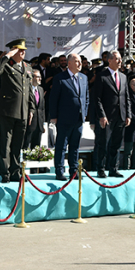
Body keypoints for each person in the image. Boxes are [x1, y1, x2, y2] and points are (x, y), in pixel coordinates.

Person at [0, 39, 34, 183]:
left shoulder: (27, 67)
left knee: (18, 144)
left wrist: (31, 109)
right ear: (13, 50)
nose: (23, 52)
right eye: (19, 49)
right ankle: (5, 173)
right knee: (6, 144)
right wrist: (6, 56)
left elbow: (29, 91)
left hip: (23, 111)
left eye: (24, 50)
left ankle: (15, 172)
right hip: (8, 111)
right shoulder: (6, 65)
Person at [48, 53, 89, 181]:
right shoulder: (60, 78)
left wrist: (85, 112)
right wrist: (53, 116)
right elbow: (54, 98)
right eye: (76, 61)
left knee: (75, 146)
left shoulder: (84, 78)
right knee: (61, 146)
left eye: (80, 61)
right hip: (64, 118)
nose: (79, 64)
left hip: (79, 118)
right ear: (69, 63)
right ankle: (60, 171)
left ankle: (74, 170)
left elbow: (86, 97)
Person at [90, 51, 131, 177]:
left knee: (116, 144)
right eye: (117, 59)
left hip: (120, 116)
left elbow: (126, 97)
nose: (120, 61)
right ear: (110, 60)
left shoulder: (123, 77)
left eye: (120, 59)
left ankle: (113, 168)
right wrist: (102, 115)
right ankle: (101, 168)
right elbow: (97, 98)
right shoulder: (102, 76)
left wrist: (128, 114)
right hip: (106, 117)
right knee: (103, 143)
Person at [24, 69, 48, 150]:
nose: (40, 79)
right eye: (38, 77)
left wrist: (43, 123)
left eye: (40, 77)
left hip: (39, 123)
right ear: (32, 78)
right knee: (26, 145)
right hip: (29, 122)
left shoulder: (41, 89)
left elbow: (42, 108)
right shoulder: (26, 89)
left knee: (36, 147)